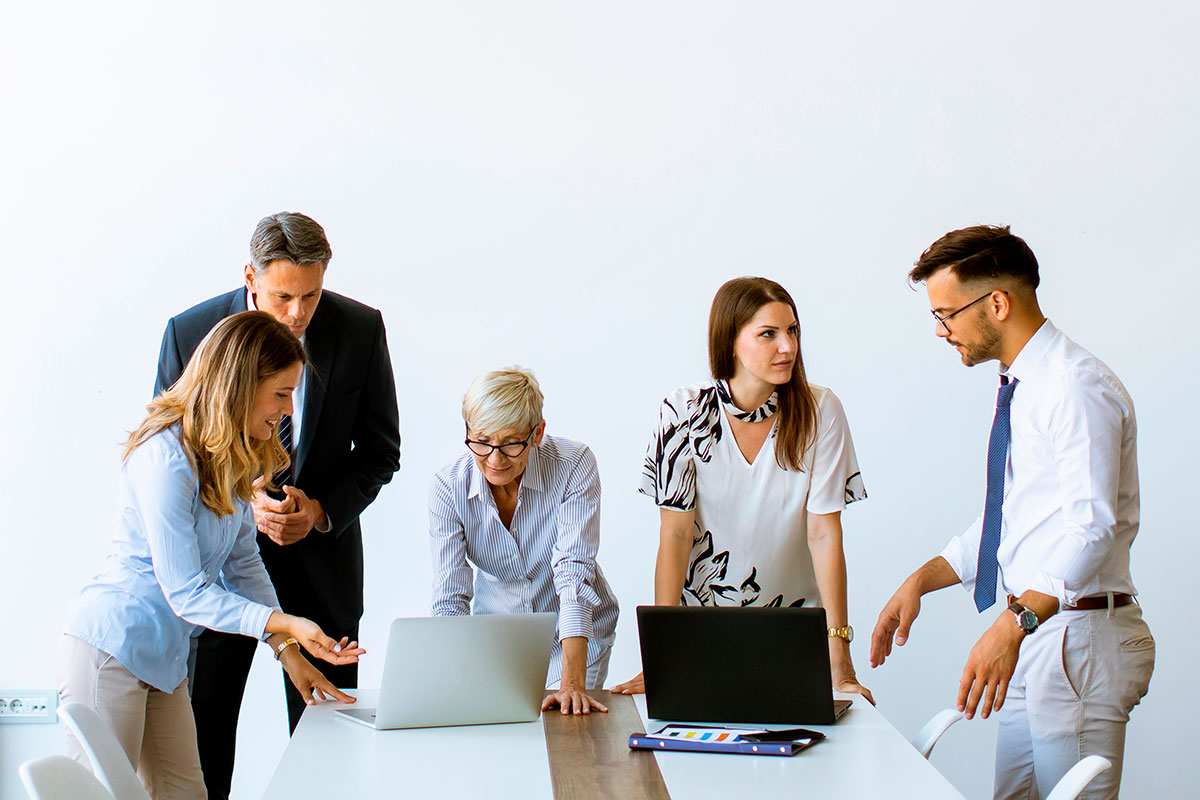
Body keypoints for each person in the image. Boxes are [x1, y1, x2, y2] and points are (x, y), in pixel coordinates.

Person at [870, 225, 1154, 799]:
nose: (940, 330)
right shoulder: (1026, 386)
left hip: (1076, 638)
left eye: (947, 314)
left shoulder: (1075, 387)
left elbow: (1091, 526)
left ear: (997, 303)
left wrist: (1013, 622)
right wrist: (921, 581)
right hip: (1044, 635)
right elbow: (1010, 523)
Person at [60, 311, 364, 799]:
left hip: (164, 660)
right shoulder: (164, 459)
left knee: (188, 795)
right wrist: (284, 625)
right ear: (242, 385)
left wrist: (287, 651)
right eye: (281, 393)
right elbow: (186, 593)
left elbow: (243, 562)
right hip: (110, 648)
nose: (287, 410)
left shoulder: (228, 457)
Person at [154, 212, 400, 798]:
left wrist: (318, 511)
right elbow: (166, 454)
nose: (296, 314)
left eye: (310, 296)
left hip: (324, 573)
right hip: (218, 574)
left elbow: (381, 451)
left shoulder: (359, 328)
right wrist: (244, 505)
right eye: (282, 296)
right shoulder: (190, 333)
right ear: (251, 277)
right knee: (204, 746)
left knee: (332, 746)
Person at [614, 276, 872, 702]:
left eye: (792, 331)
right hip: (700, 637)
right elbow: (675, 534)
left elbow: (824, 533)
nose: (787, 347)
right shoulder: (682, 411)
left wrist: (839, 658)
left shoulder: (821, 410)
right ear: (730, 341)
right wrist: (663, 652)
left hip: (793, 634)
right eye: (768, 334)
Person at [429, 367, 619, 715]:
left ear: (538, 433)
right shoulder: (447, 487)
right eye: (482, 441)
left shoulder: (574, 464)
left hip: (574, 636)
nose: (496, 460)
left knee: (570, 731)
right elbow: (450, 596)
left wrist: (572, 683)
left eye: (511, 443)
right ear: (468, 431)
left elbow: (573, 571)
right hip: (498, 635)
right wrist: (451, 681)